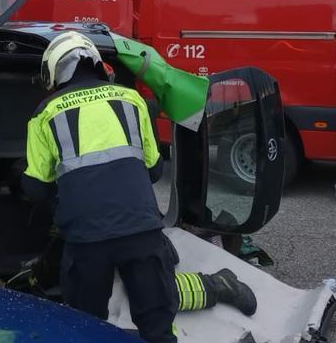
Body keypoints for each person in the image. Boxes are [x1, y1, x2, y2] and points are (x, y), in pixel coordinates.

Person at [20, 32, 256, 342]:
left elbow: (35, 190)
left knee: (83, 325)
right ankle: (212, 289)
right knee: (158, 321)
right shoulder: (131, 100)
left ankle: (216, 287)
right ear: (96, 63)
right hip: (142, 231)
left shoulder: (45, 114)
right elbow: (155, 171)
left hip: (86, 240)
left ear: (52, 72)